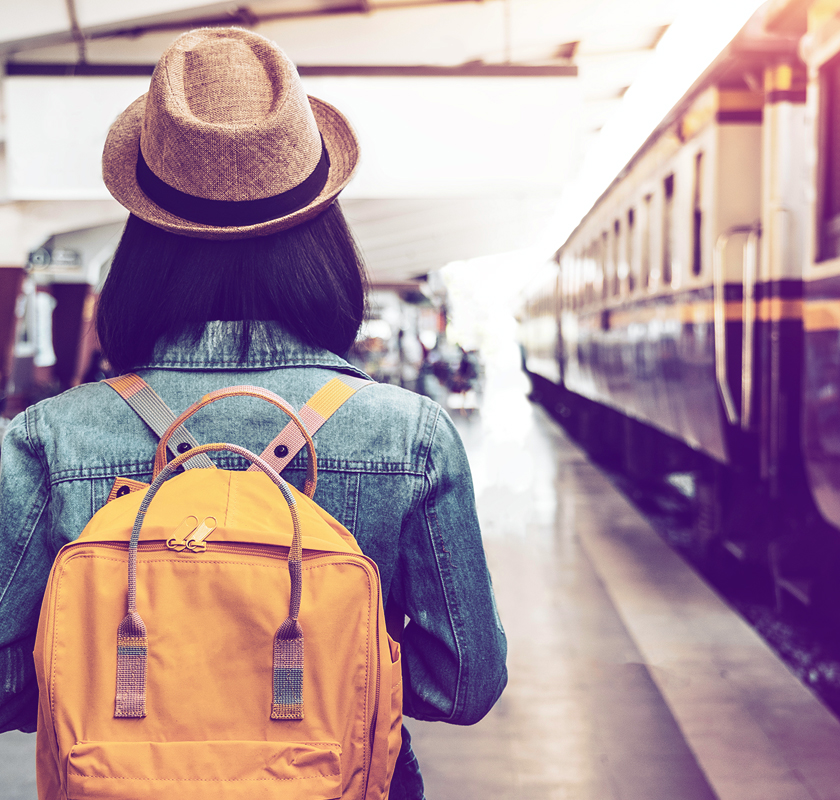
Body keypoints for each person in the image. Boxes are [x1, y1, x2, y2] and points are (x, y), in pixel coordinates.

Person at [0, 27, 507, 799]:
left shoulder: (52, 439)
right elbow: (464, 683)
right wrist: (335, 671)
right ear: (324, 241)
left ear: (142, 245)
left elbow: (6, 680)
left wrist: (136, 691)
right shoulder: (410, 438)